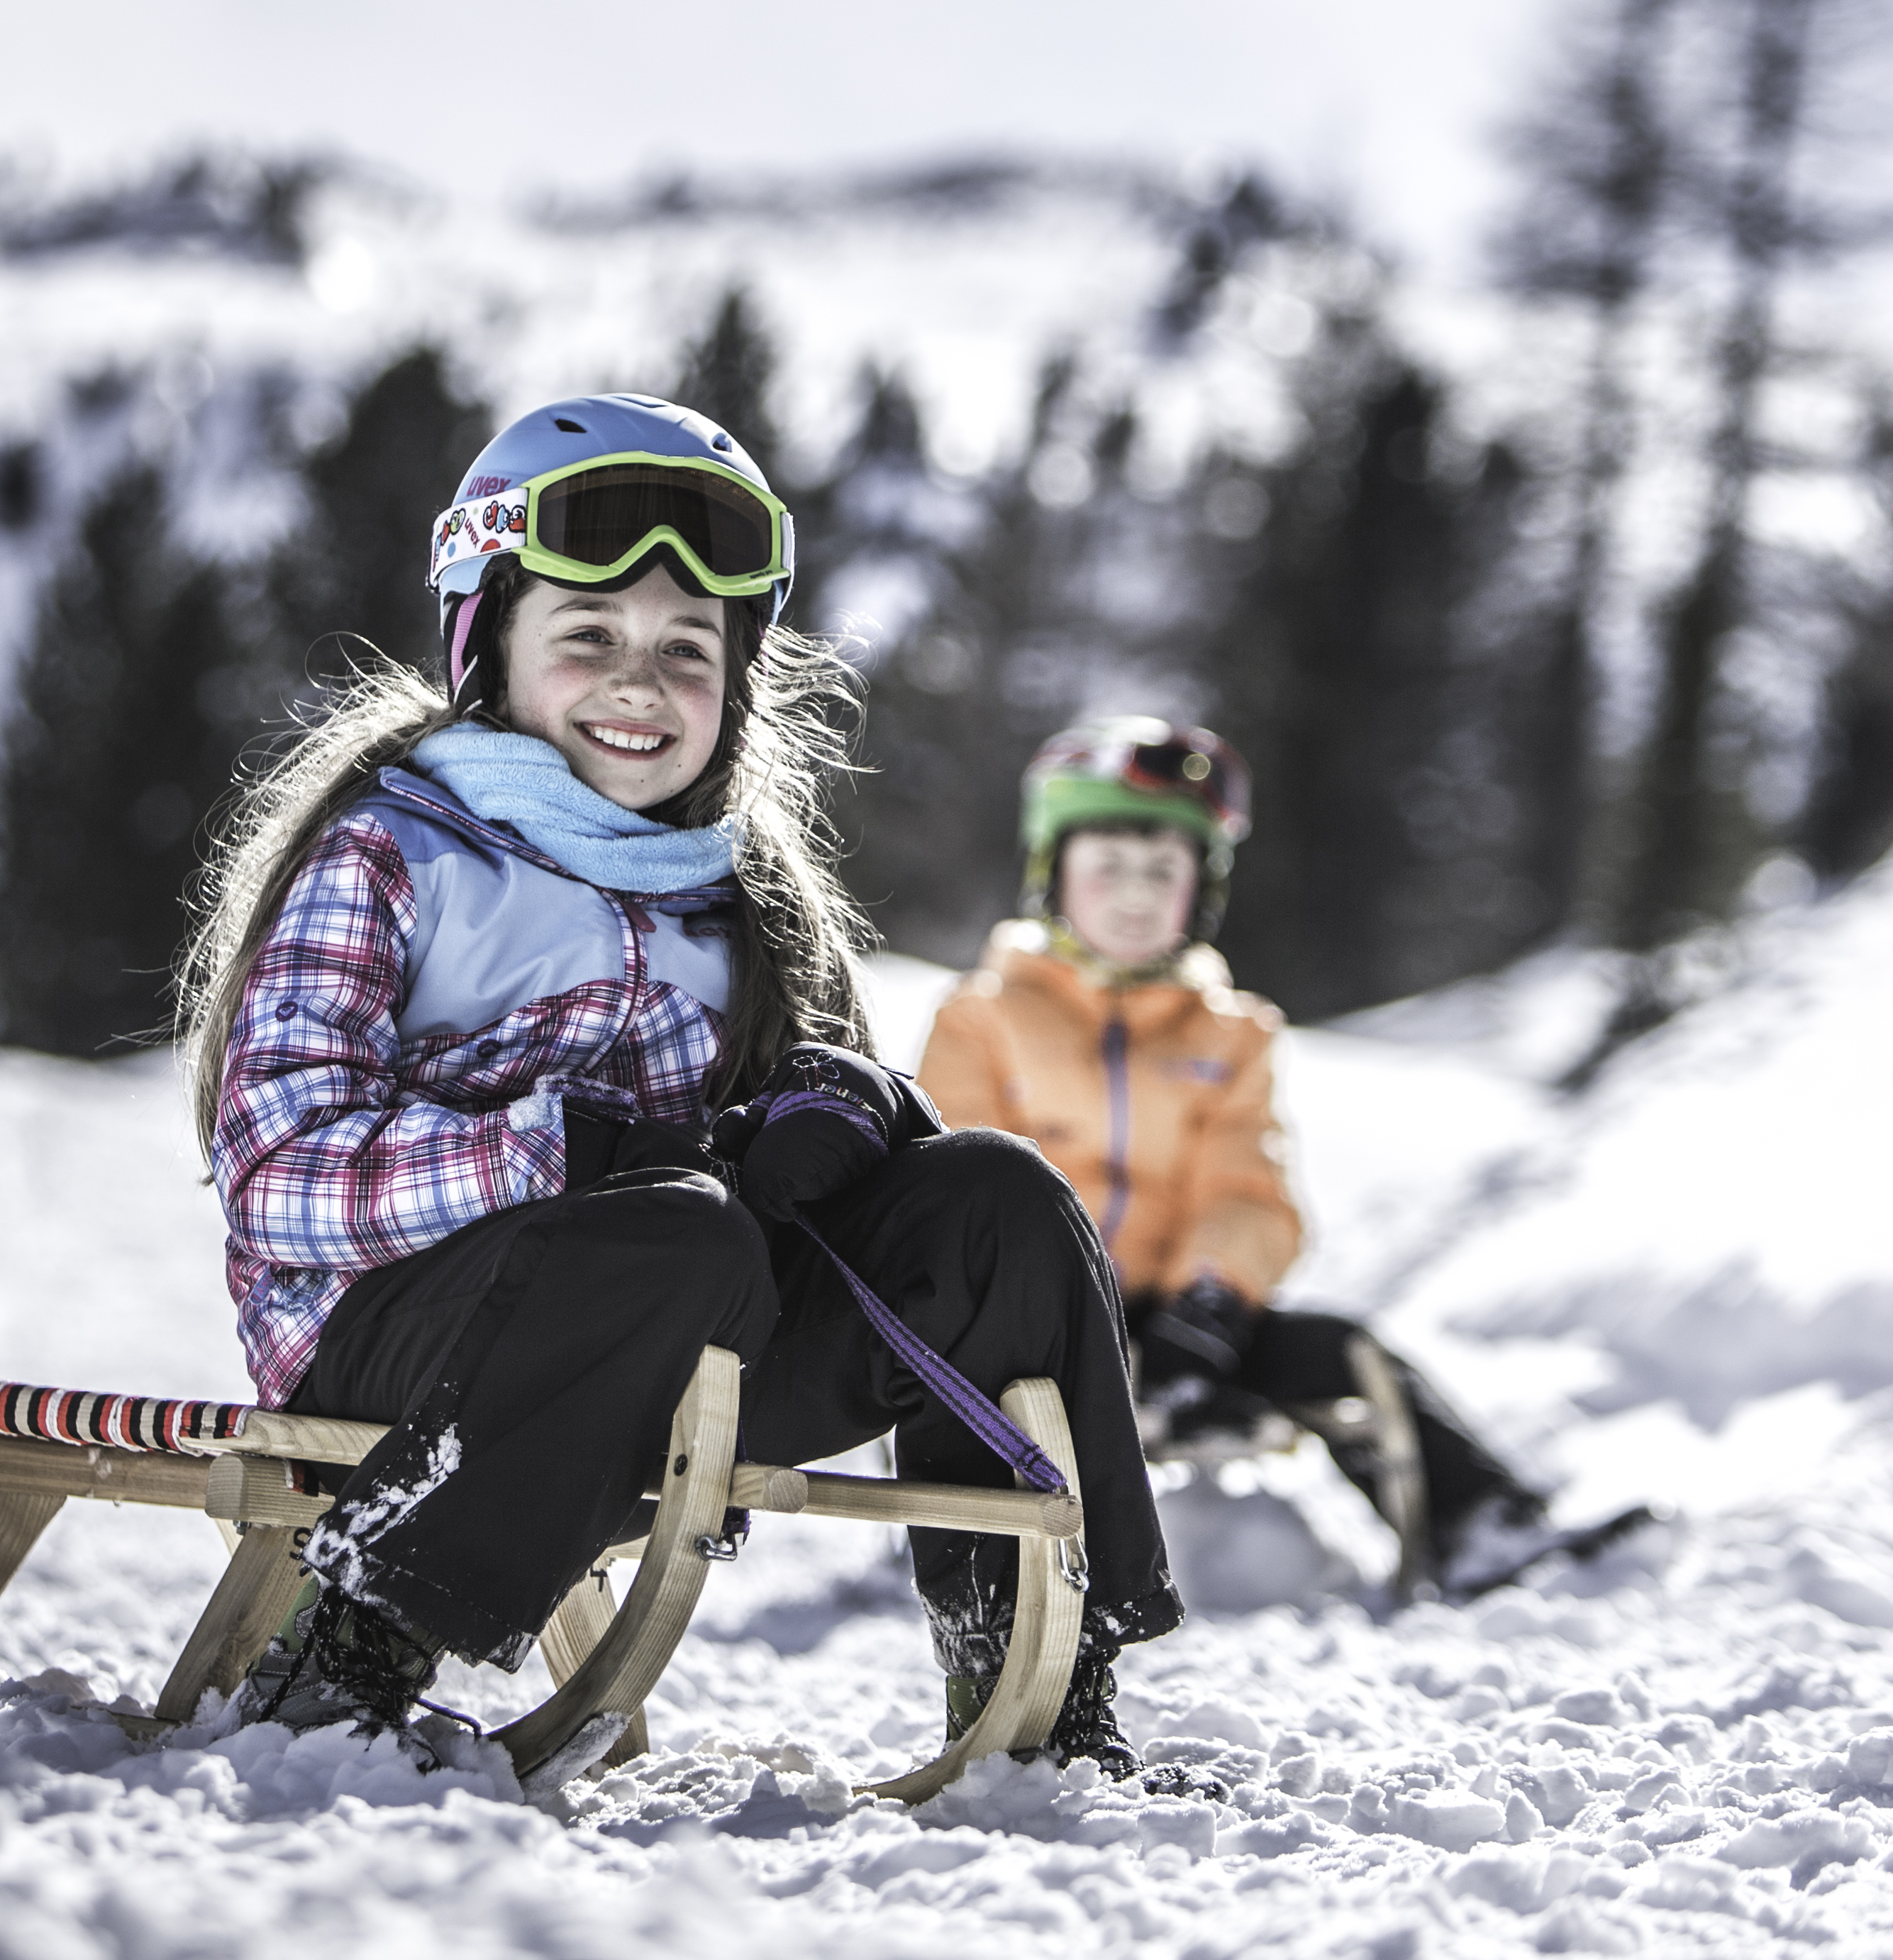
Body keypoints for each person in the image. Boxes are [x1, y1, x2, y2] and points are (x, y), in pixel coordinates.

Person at [176, 397, 1183, 1776]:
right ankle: (356, 1641)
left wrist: (849, 1114)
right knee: (673, 1229)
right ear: (488, 645)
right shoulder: (396, 855)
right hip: (400, 1342)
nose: (637, 683)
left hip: (694, 1334)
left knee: (990, 1199)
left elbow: (823, 1152)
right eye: (585, 636)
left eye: (685, 649)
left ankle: (1039, 1673)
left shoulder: (747, 901)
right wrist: (565, 1151)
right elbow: (279, 1179)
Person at [918, 718, 1644, 1598]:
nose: (1135, 895)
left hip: (1171, 1317)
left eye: (1164, 872)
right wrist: (1050, 1309)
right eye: (1107, 868)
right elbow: (956, 1178)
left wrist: (1208, 1312)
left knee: (1337, 1351)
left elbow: (1244, 1183)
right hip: (1027, 1315)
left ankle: (1478, 1525)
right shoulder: (984, 1015)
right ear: (1053, 874)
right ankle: (978, 1545)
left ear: (1203, 888)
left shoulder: (1231, 1033)